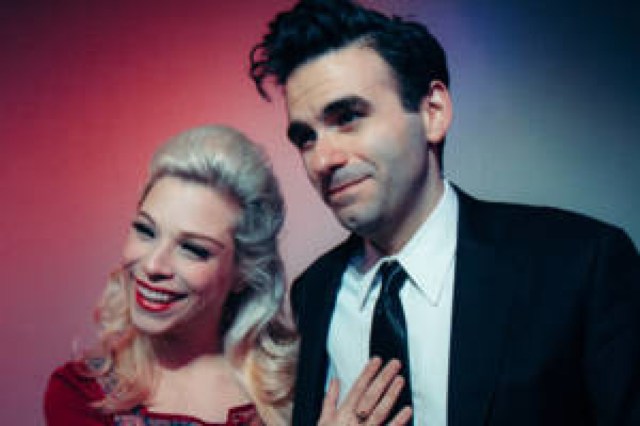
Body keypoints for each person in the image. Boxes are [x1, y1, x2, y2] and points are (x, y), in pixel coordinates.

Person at [249, 1, 640, 425]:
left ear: (433, 112)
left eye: (348, 117)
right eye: (305, 138)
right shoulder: (314, 292)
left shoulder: (579, 264)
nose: (323, 159)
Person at [43, 125, 410, 426]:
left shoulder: (302, 382)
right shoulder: (80, 393)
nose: (153, 265)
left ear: (242, 273)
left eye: (193, 249)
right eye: (145, 230)